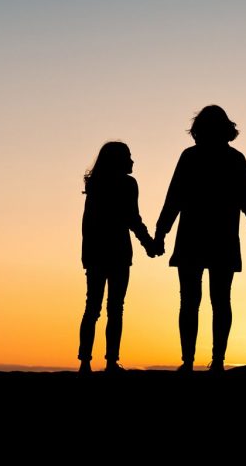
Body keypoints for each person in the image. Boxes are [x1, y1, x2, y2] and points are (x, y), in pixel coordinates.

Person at [154, 105, 246, 371]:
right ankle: (216, 362)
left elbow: (173, 200)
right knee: (219, 300)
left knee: (191, 301)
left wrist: (160, 234)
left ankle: (190, 362)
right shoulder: (234, 160)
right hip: (220, 239)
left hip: (194, 238)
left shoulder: (191, 157)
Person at [78, 141, 159, 373]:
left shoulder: (95, 185)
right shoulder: (127, 184)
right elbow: (133, 218)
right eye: (129, 157)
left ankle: (85, 361)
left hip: (96, 253)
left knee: (92, 307)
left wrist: (87, 256)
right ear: (119, 160)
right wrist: (149, 244)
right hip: (118, 253)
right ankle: (111, 361)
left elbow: (88, 225)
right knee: (115, 308)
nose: (132, 161)